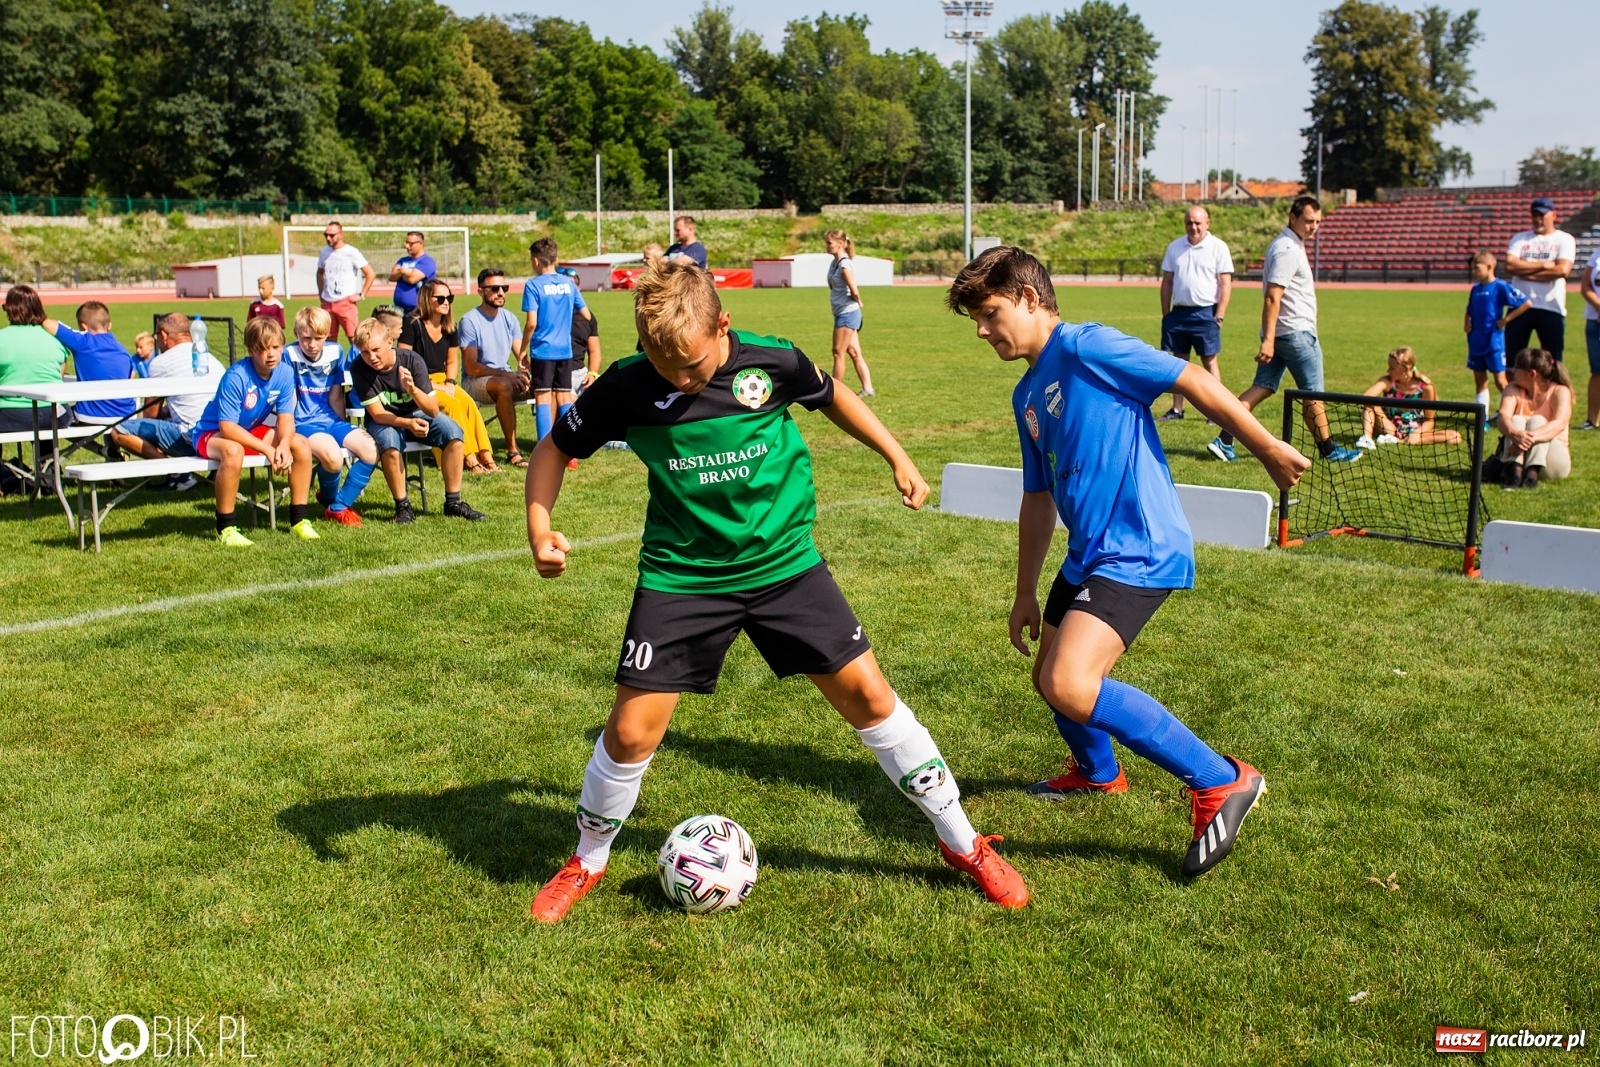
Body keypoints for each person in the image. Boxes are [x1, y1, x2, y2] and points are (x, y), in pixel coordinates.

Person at [523, 261, 1028, 922]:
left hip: (783, 565)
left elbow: (831, 396)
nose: (678, 377)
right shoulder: (625, 385)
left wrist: (896, 454)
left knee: (872, 697)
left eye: (693, 364)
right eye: (661, 362)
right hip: (684, 575)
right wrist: (540, 528)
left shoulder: (774, 362)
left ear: (723, 325)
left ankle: (963, 842)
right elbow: (554, 449)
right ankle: (587, 858)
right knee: (628, 732)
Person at [946, 247, 1309, 878]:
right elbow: (1038, 497)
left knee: (1069, 683)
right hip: (1088, 554)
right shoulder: (1026, 393)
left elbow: (1191, 381)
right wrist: (1025, 591)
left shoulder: (1087, 347)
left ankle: (1222, 780)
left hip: (1139, 546)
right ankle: (1099, 775)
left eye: (990, 313)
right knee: (1048, 679)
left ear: (1030, 299)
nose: (982, 330)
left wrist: (1268, 446)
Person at [1208, 195, 1362, 465]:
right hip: (1294, 334)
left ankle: (1224, 440)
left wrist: (1270, 338)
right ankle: (1328, 450)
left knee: (1263, 387)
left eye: (1317, 222)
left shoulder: (1290, 244)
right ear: (1293, 217)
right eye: (1308, 221)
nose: (1314, 227)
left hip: (1284, 333)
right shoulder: (1288, 248)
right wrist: (1268, 341)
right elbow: (1272, 296)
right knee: (1313, 393)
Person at [186, 316, 316, 546]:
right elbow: (227, 427)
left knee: (301, 443)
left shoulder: (285, 373)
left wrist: (284, 444)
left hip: (248, 430)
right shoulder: (236, 376)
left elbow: (286, 418)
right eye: (263, 349)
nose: (271, 354)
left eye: (276, 347)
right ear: (250, 350)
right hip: (211, 433)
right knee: (234, 451)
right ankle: (226, 528)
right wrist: (267, 448)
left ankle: (299, 521)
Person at [348, 316, 484, 524]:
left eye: (376, 350)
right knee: (390, 445)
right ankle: (402, 506)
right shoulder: (359, 368)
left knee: (454, 433)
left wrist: (412, 389)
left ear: (389, 342)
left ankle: (453, 503)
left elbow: (432, 409)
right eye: (365, 352)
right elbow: (377, 414)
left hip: (417, 411)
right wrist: (407, 424)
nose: (371, 357)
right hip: (385, 419)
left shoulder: (412, 360)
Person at [284, 306, 379, 527]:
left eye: (318, 338)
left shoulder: (336, 352)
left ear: (327, 334)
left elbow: (336, 396)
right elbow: (288, 399)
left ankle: (338, 506)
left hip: (331, 419)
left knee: (371, 450)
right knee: (334, 458)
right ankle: (328, 499)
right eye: (305, 338)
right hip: (303, 423)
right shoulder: (289, 355)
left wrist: (342, 428)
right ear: (296, 334)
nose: (312, 344)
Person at [110, 314, 226, 492]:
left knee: (119, 431)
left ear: (164, 335)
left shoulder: (161, 363)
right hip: (222, 436)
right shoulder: (210, 357)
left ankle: (176, 473)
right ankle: (209, 474)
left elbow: (150, 414)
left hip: (194, 438)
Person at [400, 280, 497, 475]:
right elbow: (403, 362)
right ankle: (469, 459)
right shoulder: (412, 324)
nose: (447, 302)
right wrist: (434, 385)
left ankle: (486, 456)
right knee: (452, 406)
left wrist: (450, 382)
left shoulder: (450, 327)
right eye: (441, 298)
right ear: (428, 299)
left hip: (443, 379)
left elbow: (452, 362)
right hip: (418, 382)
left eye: (449, 298)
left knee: (468, 403)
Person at [1157, 206, 1233, 421]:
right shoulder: (1175, 247)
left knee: (1209, 361)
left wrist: (1219, 314)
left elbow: (1225, 284)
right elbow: (1167, 281)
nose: (1193, 227)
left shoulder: (1218, 247)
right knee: (1179, 363)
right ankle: (1177, 409)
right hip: (1179, 313)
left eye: (1198, 223)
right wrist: (1166, 314)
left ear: (1207, 223)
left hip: (1206, 313)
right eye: (1189, 222)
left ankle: (1216, 411)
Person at [521, 238, 592, 447]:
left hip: (543, 350)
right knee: (564, 397)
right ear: (555, 258)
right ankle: (571, 450)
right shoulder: (568, 284)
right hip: (565, 350)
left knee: (542, 398)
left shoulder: (533, 285)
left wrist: (522, 349)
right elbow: (586, 315)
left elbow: (531, 323)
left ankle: (544, 448)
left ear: (535, 261)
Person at [459, 267, 532, 467]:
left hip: (505, 376)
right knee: (504, 385)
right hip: (474, 382)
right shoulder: (469, 321)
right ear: (481, 291)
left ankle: (555, 445)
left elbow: (522, 356)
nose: (501, 292)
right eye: (494, 288)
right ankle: (513, 452)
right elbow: (472, 367)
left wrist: (529, 373)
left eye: (504, 287)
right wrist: (508, 375)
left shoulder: (509, 318)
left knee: (548, 384)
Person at [42, 301, 134, 434]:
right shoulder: (123, 349)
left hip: (90, 416)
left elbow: (48, 324)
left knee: (51, 417)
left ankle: (99, 449)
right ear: (109, 325)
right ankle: (109, 451)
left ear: (83, 327)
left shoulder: (83, 342)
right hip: (126, 416)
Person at [1504, 197, 1575, 362]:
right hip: (1519, 306)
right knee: (1513, 360)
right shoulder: (1520, 238)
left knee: (1553, 361)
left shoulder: (1564, 239)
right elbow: (1510, 265)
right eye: (1534, 215)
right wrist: (1545, 265)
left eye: (1542, 215)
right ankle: (1515, 389)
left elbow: (1562, 270)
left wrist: (1525, 272)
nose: (1537, 219)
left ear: (1554, 215)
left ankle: (1552, 389)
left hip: (1550, 307)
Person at [1494, 347, 1573, 490]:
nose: (1512, 371)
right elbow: (1503, 416)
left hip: (1552, 466)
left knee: (1537, 421)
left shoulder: (1560, 391)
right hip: (1520, 456)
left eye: (1517, 367)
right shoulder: (1512, 389)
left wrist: (1526, 438)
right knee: (1516, 419)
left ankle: (1532, 475)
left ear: (1532, 374)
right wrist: (1514, 433)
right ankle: (1515, 473)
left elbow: (1559, 424)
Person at [1464, 250, 1531, 417]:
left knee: (1501, 380)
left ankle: (1515, 412)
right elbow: (1469, 310)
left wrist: (1506, 320)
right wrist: (1467, 323)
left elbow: (1526, 303)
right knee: (1480, 380)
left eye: (1476, 268)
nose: (1474, 272)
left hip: (1493, 341)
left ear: (1489, 266)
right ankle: (1483, 417)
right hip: (1476, 340)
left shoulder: (1501, 287)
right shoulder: (1475, 289)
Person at [1354, 347, 1462, 449]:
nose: (1388, 371)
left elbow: (1429, 421)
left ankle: (1398, 440)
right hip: (1389, 427)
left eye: (1392, 368)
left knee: (1455, 436)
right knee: (1370, 402)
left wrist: (1416, 433)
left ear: (1406, 368)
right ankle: (1367, 439)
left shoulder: (1426, 388)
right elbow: (1366, 397)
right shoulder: (1387, 381)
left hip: (1414, 428)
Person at [0, 285, 71, 433]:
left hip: (12, 413)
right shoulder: (55, 338)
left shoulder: (3, 338)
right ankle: (47, 456)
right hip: (56, 414)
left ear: (9, 310)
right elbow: (60, 376)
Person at [825, 228, 874, 398]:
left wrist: (858, 300)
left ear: (840, 244)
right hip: (843, 312)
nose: (826, 246)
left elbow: (853, 288)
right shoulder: (835, 263)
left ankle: (832, 392)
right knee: (853, 352)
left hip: (847, 313)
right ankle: (868, 388)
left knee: (838, 352)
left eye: (829, 243)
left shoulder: (844, 265)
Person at [316, 222, 374, 345]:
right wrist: (321, 293)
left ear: (341, 234)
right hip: (327, 303)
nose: (328, 238)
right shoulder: (324, 252)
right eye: (326, 235)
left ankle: (358, 364)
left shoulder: (351, 252)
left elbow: (370, 273)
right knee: (328, 340)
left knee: (355, 339)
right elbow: (320, 273)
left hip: (345, 302)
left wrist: (361, 294)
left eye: (332, 235)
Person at [389, 231, 436, 324]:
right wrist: (407, 272)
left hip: (418, 311)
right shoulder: (403, 260)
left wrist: (401, 272)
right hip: (400, 311)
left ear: (421, 243)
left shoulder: (427, 261)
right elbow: (392, 277)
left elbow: (412, 279)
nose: (407, 246)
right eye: (406, 243)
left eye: (411, 243)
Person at [1579, 244, 1600, 430]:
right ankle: (1593, 420)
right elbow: (1585, 286)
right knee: (1597, 371)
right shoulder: (1597, 255)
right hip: (1595, 320)